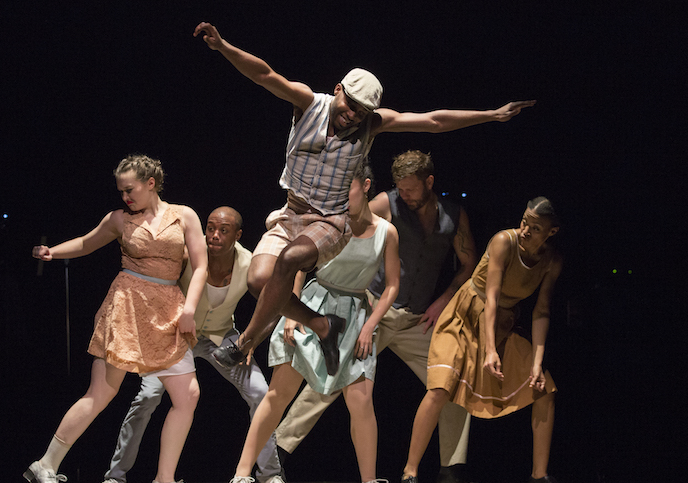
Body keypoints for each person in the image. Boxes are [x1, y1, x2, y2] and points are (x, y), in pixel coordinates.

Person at [193, 22, 535, 375]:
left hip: (330, 221)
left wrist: (491, 115)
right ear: (338, 90)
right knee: (259, 281)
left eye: (362, 111)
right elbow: (265, 75)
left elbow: (432, 121)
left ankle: (244, 342)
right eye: (351, 104)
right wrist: (223, 46)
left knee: (291, 258)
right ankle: (323, 325)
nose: (353, 114)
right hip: (291, 212)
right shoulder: (308, 103)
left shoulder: (371, 125)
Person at [276, 150, 484, 483]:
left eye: (411, 189)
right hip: (377, 311)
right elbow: (347, 229)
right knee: (330, 379)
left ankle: (452, 468)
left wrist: (444, 300)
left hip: (418, 318)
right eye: (400, 188)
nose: (405, 195)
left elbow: (469, 263)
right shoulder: (387, 203)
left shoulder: (452, 215)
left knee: (451, 380)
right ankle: (278, 453)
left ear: (429, 182)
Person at [24, 155, 207, 483]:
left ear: (151, 183)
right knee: (101, 393)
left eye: (130, 189)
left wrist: (189, 310)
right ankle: (46, 464)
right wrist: (52, 253)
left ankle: (164, 480)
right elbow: (86, 242)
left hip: (169, 310)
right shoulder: (119, 219)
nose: (125, 197)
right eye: (121, 191)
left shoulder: (184, 216)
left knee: (188, 395)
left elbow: (200, 266)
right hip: (127, 307)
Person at [226, 165, 400, 483]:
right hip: (312, 306)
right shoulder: (328, 224)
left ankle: (369, 480)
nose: (339, 197)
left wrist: (370, 325)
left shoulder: (386, 232)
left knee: (361, 402)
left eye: (346, 189)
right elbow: (295, 266)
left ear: (365, 186)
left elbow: (392, 284)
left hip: (355, 316)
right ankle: (242, 475)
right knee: (278, 395)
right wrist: (289, 315)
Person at [94, 207, 292, 483]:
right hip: (176, 338)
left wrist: (250, 341)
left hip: (222, 336)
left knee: (260, 392)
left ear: (238, 235)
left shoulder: (250, 264)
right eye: (210, 228)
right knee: (147, 397)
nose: (214, 235)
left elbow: (274, 303)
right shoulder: (188, 255)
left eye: (223, 230)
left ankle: (269, 475)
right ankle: (115, 477)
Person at [399, 196, 569, 483]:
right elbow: (491, 297)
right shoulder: (504, 242)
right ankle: (409, 474)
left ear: (551, 232)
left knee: (545, 389)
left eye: (535, 228)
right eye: (524, 221)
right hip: (465, 315)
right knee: (440, 388)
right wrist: (490, 350)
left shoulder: (551, 261)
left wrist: (536, 363)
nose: (525, 230)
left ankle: (539, 476)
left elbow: (542, 311)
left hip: (502, 323)